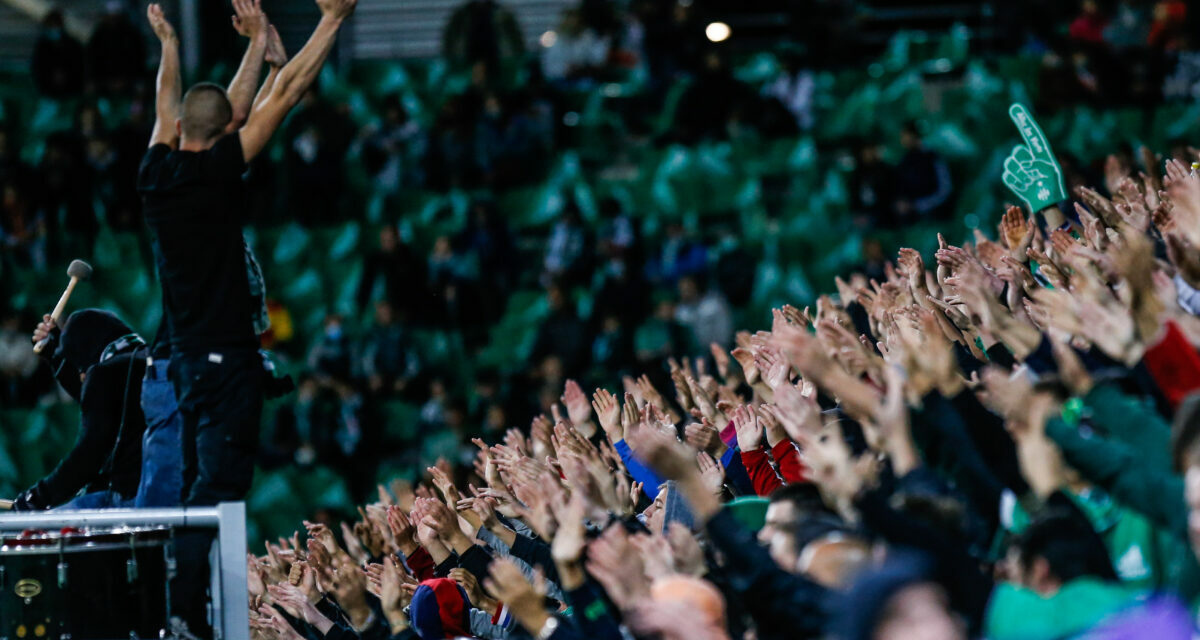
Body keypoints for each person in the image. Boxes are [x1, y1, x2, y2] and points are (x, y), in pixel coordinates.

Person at [138, 0, 356, 634]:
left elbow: (175, 105)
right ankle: (182, 615)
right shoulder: (218, 173)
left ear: (180, 126)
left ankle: (186, 610)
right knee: (216, 496)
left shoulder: (156, 171)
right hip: (226, 362)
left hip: (183, 361)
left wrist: (172, 46)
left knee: (196, 493)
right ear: (222, 129)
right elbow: (283, 93)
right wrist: (332, 21)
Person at [13, 310, 146, 510]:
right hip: (165, 492)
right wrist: (55, 351)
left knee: (37, 533)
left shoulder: (105, 374)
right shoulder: (147, 363)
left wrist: (38, 497)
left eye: (81, 368)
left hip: (127, 498)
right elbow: (97, 403)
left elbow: (88, 456)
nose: (82, 376)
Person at [31, 10, 84, 99]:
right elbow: (38, 68)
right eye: (50, 26)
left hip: (72, 92)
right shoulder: (42, 47)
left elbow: (79, 66)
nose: (53, 29)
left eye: (55, 25)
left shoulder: (73, 45)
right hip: (48, 93)